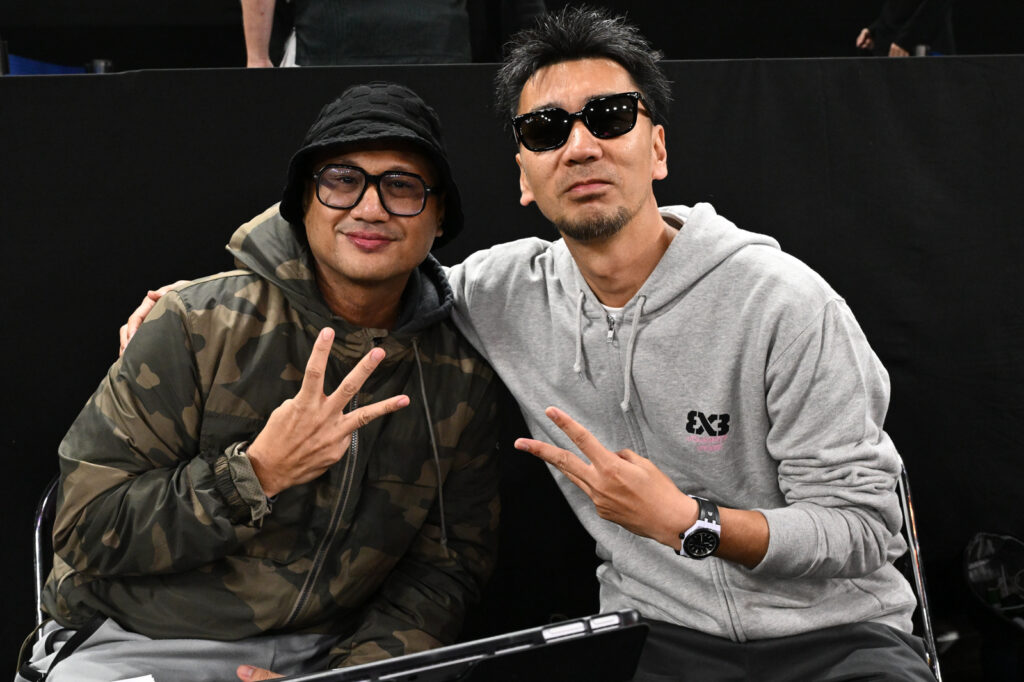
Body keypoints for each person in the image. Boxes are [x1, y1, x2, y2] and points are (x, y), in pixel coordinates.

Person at [120, 7, 937, 680]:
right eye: (546, 129)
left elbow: (867, 529)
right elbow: (366, 260)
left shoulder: (782, 302)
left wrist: (693, 523)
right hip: (661, 641)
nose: (579, 146)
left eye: (609, 118)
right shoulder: (499, 293)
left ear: (656, 147)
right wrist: (200, 305)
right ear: (522, 172)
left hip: (839, 642)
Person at [19, 81, 500, 682]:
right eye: (342, 180)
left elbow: (444, 569)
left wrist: (356, 674)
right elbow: (85, 526)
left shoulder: (459, 374)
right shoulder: (196, 324)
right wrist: (256, 474)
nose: (370, 208)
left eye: (402, 186)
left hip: (331, 654)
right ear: (302, 201)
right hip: (144, 640)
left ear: (440, 216)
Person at [856, 0, 957, 57]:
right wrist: (875, 30)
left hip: (925, 51)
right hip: (893, 53)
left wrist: (905, 41)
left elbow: (937, 4)